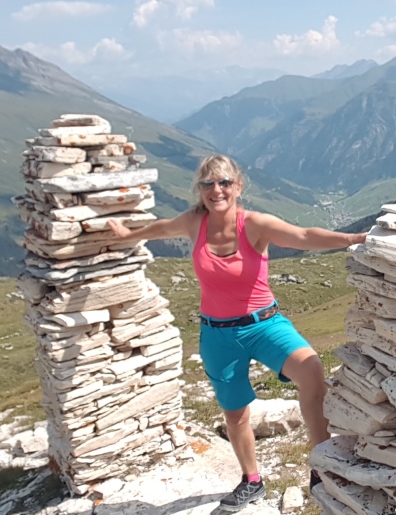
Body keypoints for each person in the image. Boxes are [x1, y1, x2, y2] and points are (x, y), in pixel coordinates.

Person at [108, 154, 367, 512]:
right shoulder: (194, 222)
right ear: (200, 189)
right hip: (217, 335)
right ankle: (252, 480)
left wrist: (354, 237)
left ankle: (322, 465)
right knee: (235, 413)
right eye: (208, 183)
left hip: (264, 324)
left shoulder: (254, 224)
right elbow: (162, 228)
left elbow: (304, 236)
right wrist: (129, 235)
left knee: (311, 370)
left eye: (224, 182)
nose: (216, 190)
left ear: (238, 186)